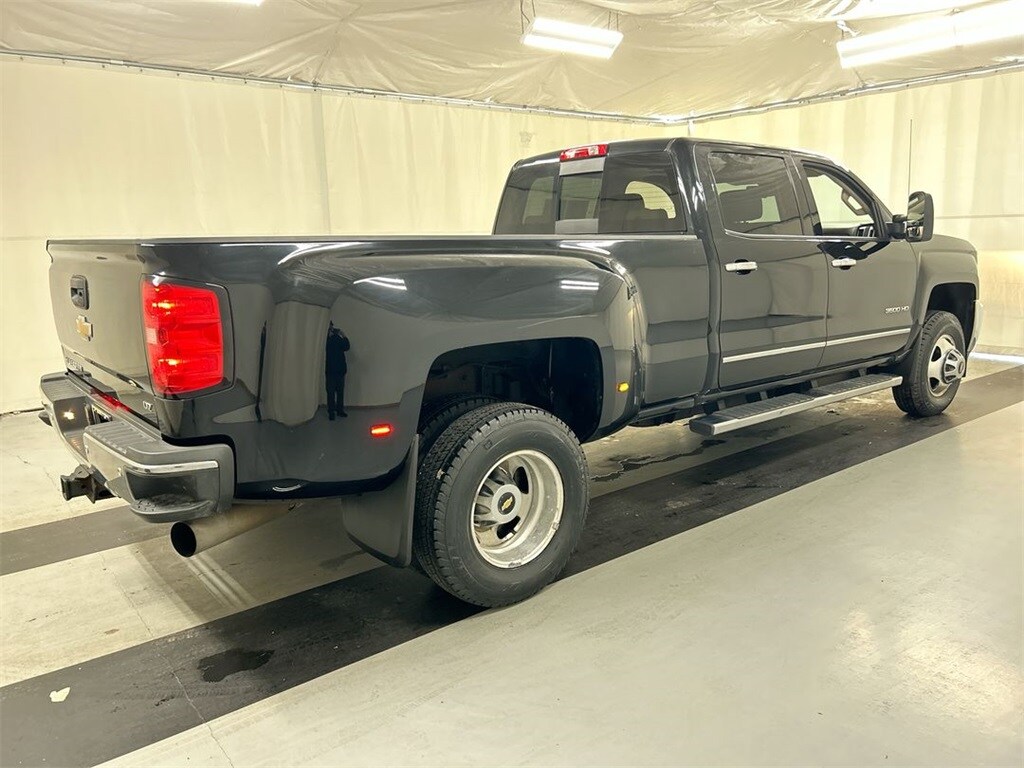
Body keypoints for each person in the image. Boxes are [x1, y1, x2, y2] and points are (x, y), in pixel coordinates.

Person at [325, 324, 350, 420]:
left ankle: (339, 411)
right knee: (331, 393)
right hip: (332, 371)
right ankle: (332, 412)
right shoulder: (326, 339)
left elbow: (346, 347)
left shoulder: (336, 338)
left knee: (339, 392)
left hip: (338, 370)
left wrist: (343, 336)